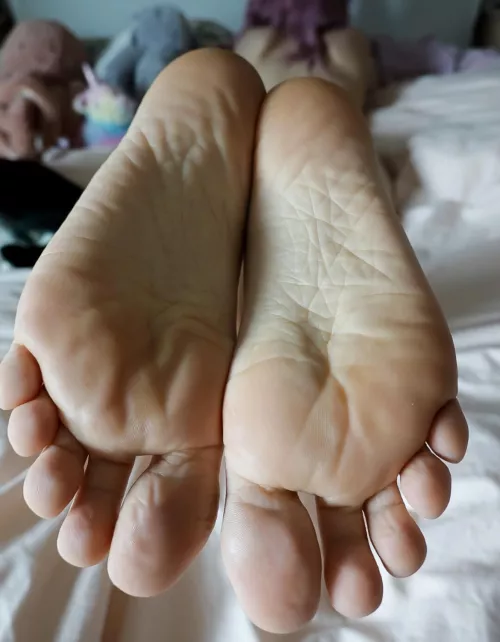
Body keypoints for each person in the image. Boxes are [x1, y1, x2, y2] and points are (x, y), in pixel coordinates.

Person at [0, 49, 468, 635]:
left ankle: (267, 153)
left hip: (234, 78)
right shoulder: (354, 34)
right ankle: (329, 118)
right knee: (340, 76)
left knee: (304, 84)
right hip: (352, 54)